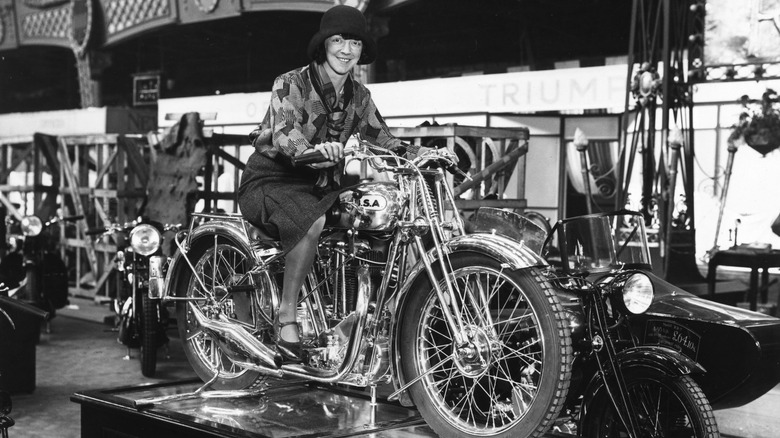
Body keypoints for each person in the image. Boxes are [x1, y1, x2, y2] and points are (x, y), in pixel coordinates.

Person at [238, 5, 417, 363]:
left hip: (318, 185)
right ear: (324, 45)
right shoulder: (291, 83)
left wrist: (422, 153)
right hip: (271, 180)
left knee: (378, 216)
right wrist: (313, 150)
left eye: (355, 43)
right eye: (339, 40)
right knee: (312, 220)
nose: (347, 50)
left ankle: (363, 314)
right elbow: (287, 136)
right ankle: (286, 317)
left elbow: (383, 138)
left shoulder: (359, 95)